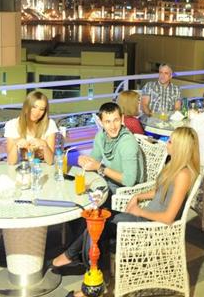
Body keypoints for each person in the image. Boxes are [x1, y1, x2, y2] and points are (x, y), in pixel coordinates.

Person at [64, 126, 201, 297]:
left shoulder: (183, 175)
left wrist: (139, 211)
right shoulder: (173, 166)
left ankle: (86, 279)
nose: (167, 143)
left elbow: (168, 217)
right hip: (145, 219)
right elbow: (158, 191)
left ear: (181, 148)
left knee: (98, 223)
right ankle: (94, 279)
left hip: (152, 228)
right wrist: (138, 196)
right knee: (98, 218)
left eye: (171, 141)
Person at [52, 102, 145, 268]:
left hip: (125, 193)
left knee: (92, 213)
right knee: (78, 203)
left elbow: (129, 181)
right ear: (101, 122)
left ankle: (71, 255)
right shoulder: (101, 137)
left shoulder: (127, 143)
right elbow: (94, 160)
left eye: (116, 120)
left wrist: (100, 167)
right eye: (108, 121)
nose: (113, 126)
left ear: (122, 119)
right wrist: (84, 161)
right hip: (107, 185)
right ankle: (82, 253)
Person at [4, 91, 58, 164]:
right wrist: (15, 144)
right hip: (21, 166)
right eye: (34, 107)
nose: (37, 112)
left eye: (41, 109)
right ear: (26, 107)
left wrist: (45, 145)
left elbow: (50, 161)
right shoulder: (11, 125)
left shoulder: (50, 124)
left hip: (41, 167)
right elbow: (11, 162)